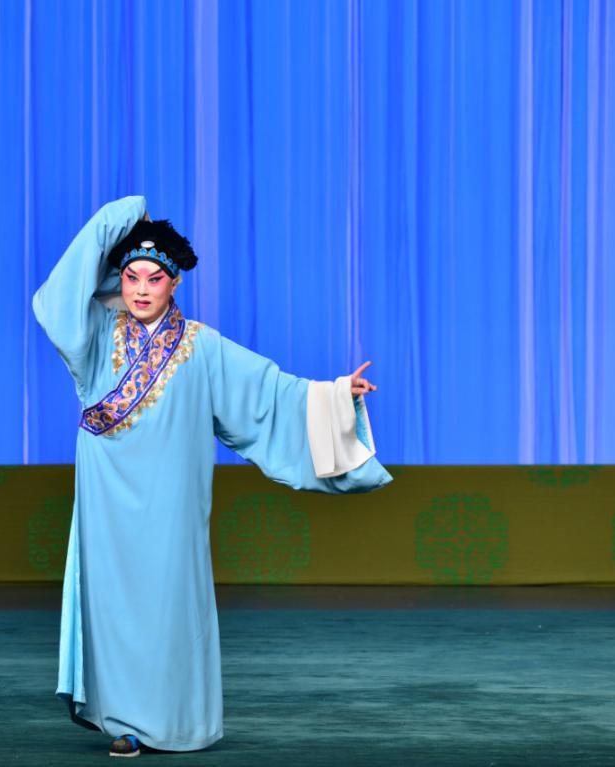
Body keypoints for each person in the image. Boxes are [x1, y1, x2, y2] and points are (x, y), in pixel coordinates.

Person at [33, 196, 392, 757]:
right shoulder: (96, 336)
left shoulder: (202, 347)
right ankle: (123, 722)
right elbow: (54, 301)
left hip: (171, 503)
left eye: (155, 278)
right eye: (131, 277)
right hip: (107, 501)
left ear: (175, 283)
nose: (142, 290)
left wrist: (335, 395)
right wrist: (122, 214)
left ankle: (172, 721)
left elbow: (270, 394)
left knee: (168, 606)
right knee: (112, 605)